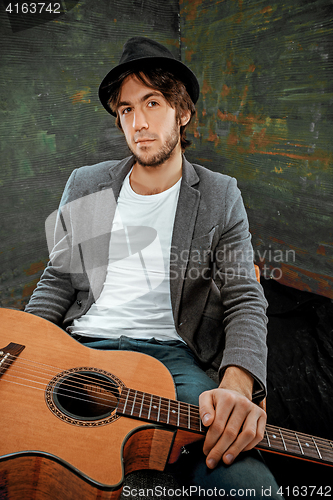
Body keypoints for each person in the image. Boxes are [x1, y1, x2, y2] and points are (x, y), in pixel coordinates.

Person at [26, 37, 281, 498]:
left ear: (181, 113)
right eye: (126, 109)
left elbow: (245, 295)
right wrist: (24, 346)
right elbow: (59, 278)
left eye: (152, 103)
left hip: (173, 361)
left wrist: (238, 383)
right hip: (79, 348)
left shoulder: (221, 195)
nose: (138, 123)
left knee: (249, 488)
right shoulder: (87, 184)